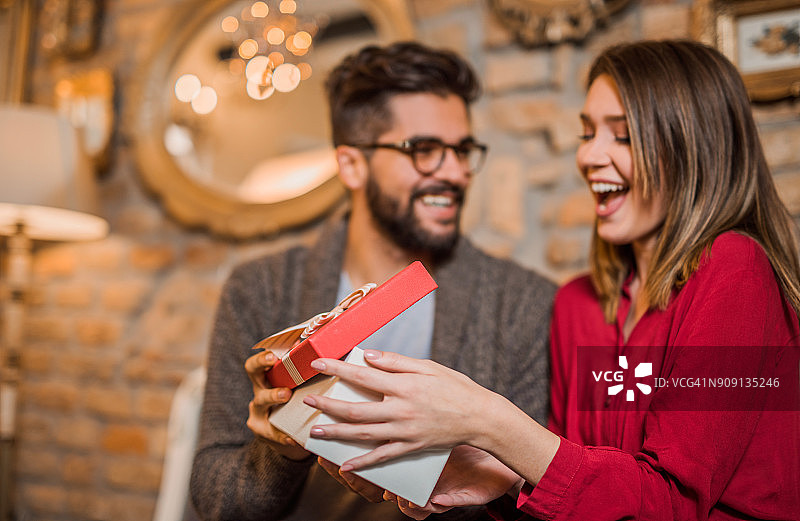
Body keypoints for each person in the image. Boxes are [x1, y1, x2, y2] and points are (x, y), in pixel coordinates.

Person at [301, 39, 800, 520]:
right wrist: (506, 479)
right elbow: (589, 487)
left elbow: (673, 504)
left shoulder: (734, 271)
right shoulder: (578, 306)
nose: (588, 156)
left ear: (694, 149)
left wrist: (489, 420)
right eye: (588, 133)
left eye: (621, 135)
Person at [189, 41, 557, 521]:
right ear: (352, 165)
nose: (455, 173)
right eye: (423, 150)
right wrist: (282, 447)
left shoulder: (524, 302)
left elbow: (539, 497)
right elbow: (217, 500)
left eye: (463, 150)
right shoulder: (261, 288)